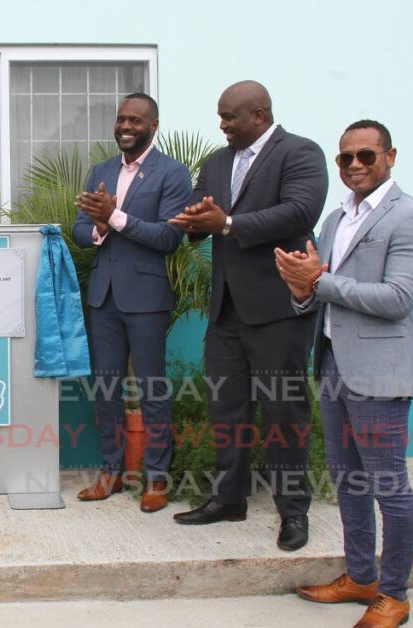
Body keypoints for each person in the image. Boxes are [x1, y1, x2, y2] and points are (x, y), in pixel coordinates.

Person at [276, 120, 413, 628]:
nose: (354, 166)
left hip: (380, 372)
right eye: (345, 158)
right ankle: (361, 577)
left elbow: (396, 299)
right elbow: (317, 296)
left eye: (366, 156)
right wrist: (300, 286)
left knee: (389, 486)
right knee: (348, 481)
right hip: (332, 365)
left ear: (391, 155)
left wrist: (320, 280)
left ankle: (393, 594)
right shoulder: (333, 218)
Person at [169, 80, 328, 551]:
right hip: (226, 310)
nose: (221, 125)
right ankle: (229, 500)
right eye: (220, 117)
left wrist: (230, 223)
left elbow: (300, 212)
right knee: (227, 409)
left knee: (284, 411)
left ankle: (293, 512)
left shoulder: (300, 153)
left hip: (279, 308)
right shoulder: (216, 162)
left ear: (258, 114)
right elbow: (198, 222)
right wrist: (194, 219)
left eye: (229, 117)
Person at [72, 93, 191, 512]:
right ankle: (111, 472)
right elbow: (80, 230)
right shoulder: (101, 170)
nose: (125, 126)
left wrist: (116, 217)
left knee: (152, 391)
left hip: (146, 298)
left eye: (135, 120)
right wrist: (100, 227)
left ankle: (157, 479)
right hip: (103, 297)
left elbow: (169, 237)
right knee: (106, 389)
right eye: (121, 119)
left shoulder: (172, 174)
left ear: (153, 126)